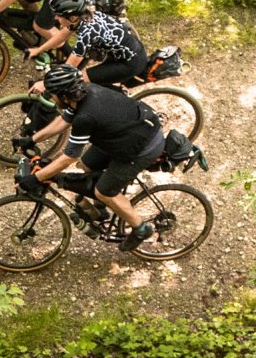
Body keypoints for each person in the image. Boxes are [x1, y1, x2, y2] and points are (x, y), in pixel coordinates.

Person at [25, 65, 163, 252]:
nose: (51, 97)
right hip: (126, 133)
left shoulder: (85, 116)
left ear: (64, 96)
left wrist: (36, 178)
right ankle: (101, 211)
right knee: (87, 166)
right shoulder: (83, 93)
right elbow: (65, 120)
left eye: (52, 94)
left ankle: (140, 228)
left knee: (104, 191)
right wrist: (31, 139)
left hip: (141, 147)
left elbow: (68, 158)